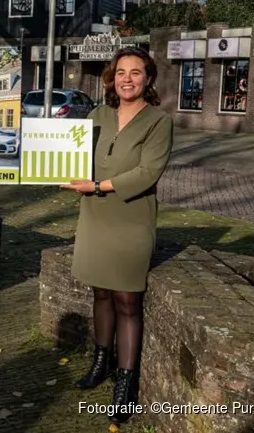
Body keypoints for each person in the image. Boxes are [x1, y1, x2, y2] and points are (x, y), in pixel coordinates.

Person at [61, 47, 173, 427]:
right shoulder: (96, 116)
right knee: (100, 293)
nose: (128, 79)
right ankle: (101, 362)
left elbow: (148, 173)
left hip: (131, 219)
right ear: (112, 78)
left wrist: (98, 184)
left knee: (127, 300)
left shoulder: (159, 121)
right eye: (121, 72)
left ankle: (125, 384)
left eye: (136, 73)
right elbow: (72, 156)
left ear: (148, 78)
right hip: (94, 216)